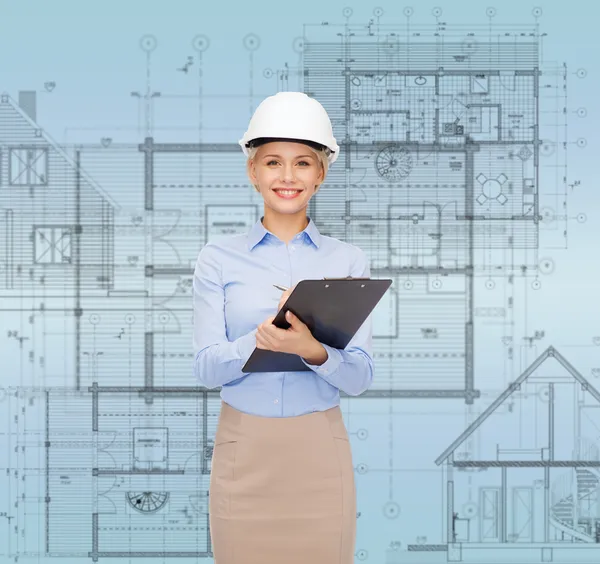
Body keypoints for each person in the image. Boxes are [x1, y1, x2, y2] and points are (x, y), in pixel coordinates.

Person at [192, 91, 374, 564]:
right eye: (273, 162)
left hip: (319, 450)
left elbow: (359, 378)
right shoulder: (217, 258)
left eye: (304, 163)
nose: (288, 177)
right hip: (244, 448)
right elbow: (207, 370)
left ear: (322, 173)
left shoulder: (348, 260)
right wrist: (261, 340)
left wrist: (312, 349)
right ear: (253, 171)